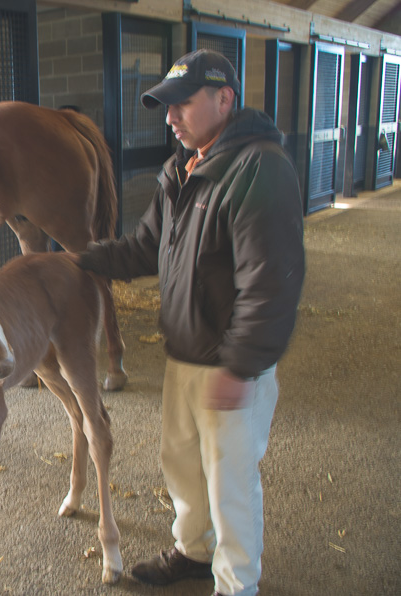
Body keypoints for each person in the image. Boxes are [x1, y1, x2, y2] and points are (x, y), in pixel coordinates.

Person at [76, 49, 305, 596]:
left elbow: (270, 284)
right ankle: (195, 551)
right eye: (166, 105)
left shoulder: (260, 168)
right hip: (183, 352)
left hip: (229, 364)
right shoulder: (182, 169)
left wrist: (241, 366)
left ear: (225, 98)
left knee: (231, 481)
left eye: (182, 103)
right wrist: (80, 260)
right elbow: (146, 249)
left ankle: (237, 583)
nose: (170, 116)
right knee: (181, 464)